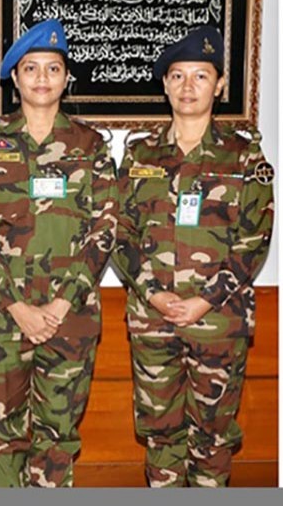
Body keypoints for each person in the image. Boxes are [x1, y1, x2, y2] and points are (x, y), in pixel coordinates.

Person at [0, 19, 118, 487]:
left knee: (58, 435)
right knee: (3, 433)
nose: (43, 78)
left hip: (72, 316)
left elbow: (105, 226)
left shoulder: (91, 147)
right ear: (15, 78)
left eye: (53, 68)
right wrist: (18, 306)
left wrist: (60, 304)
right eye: (32, 68)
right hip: (0, 316)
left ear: (67, 78)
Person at [112, 26, 274, 487]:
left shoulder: (245, 158)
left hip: (218, 322)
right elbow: (121, 233)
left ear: (219, 85)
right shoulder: (140, 154)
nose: (188, 87)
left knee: (213, 439)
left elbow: (253, 239)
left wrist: (203, 300)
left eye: (200, 76)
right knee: (161, 436)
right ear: (164, 83)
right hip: (153, 321)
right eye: (178, 76)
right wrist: (155, 296)